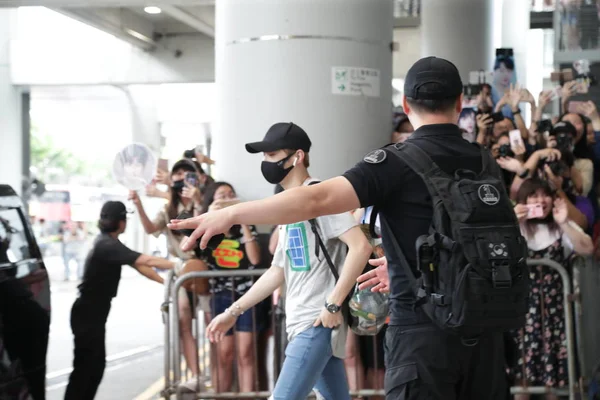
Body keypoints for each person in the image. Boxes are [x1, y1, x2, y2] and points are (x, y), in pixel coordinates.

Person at [169, 57, 514, 399]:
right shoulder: (485, 162)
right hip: (485, 332)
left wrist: (231, 214)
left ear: (406, 104)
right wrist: (418, 269)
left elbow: (315, 200)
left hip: (421, 334)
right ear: (459, 103)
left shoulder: (394, 161)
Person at [196, 122, 371, 400]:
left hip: (315, 324)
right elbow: (277, 272)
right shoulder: (290, 209)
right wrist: (232, 312)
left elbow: (360, 247)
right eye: (264, 157)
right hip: (305, 323)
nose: (266, 163)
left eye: (272, 155)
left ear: (297, 157)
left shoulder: (320, 197)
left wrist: (332, 303)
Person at [64, 201, 176, 400]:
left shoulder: (109, 242)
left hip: (92, 312)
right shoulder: (107, 245)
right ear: (121, 222)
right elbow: (147, 261)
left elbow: (139, 265)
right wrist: (180, 265)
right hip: (88, 313)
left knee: (93, 366)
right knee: (86, 368)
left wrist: (167, 283)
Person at [129, 158, 208, 391]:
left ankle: (217, 374)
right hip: (182, 271)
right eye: (178, 174)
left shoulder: (204, 203)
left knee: (212, 321)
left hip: (206, 270)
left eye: (188, 174)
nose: (183, 179)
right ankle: (196, 375)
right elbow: (151, 229)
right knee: (184, 318)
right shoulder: (168, 209)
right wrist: (138, 203)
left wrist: (197, 202)